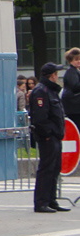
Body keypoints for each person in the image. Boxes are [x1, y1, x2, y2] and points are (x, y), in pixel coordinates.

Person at [28, 62, 73, 214]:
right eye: (56, 73)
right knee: (46, 169)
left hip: (55, 136)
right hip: (48, 137)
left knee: (55, 168)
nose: (58, 75)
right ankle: (41, 202)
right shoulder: (41, 91)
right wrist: (48, 134)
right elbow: (40, 118)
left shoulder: (51, 91)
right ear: (52, 75)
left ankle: (51, 200)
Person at [61, 48, 80, 123]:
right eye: (76, 59)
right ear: (70, 60)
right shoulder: (71, 72)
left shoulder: (74, 71)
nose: (79, 61)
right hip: (73, 107)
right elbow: (75, 86)